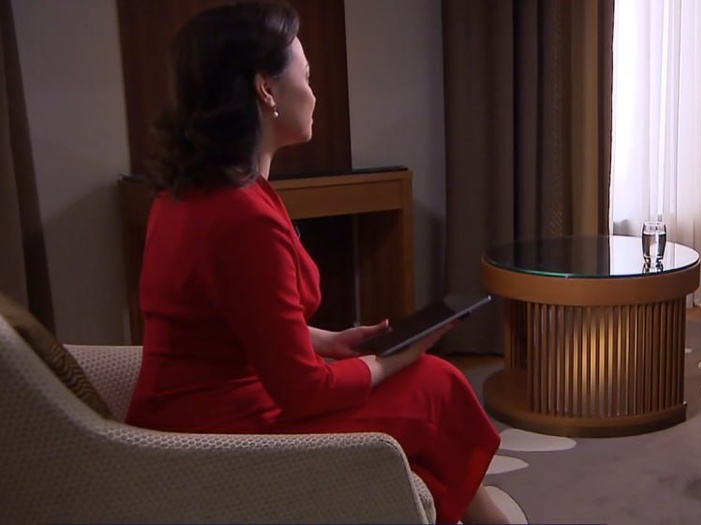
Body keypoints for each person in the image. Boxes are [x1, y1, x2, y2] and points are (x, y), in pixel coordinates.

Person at [125, 3, 510, 523]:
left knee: (430, 385)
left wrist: (328, 342)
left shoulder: (188, 193)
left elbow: (228, 321)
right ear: (266, 89)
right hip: (218, 437)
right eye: (305, 76)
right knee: (433, 385)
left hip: (187, 416)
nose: (314, 92)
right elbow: (305, 392)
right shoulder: (242, 218)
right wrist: (395, 357)